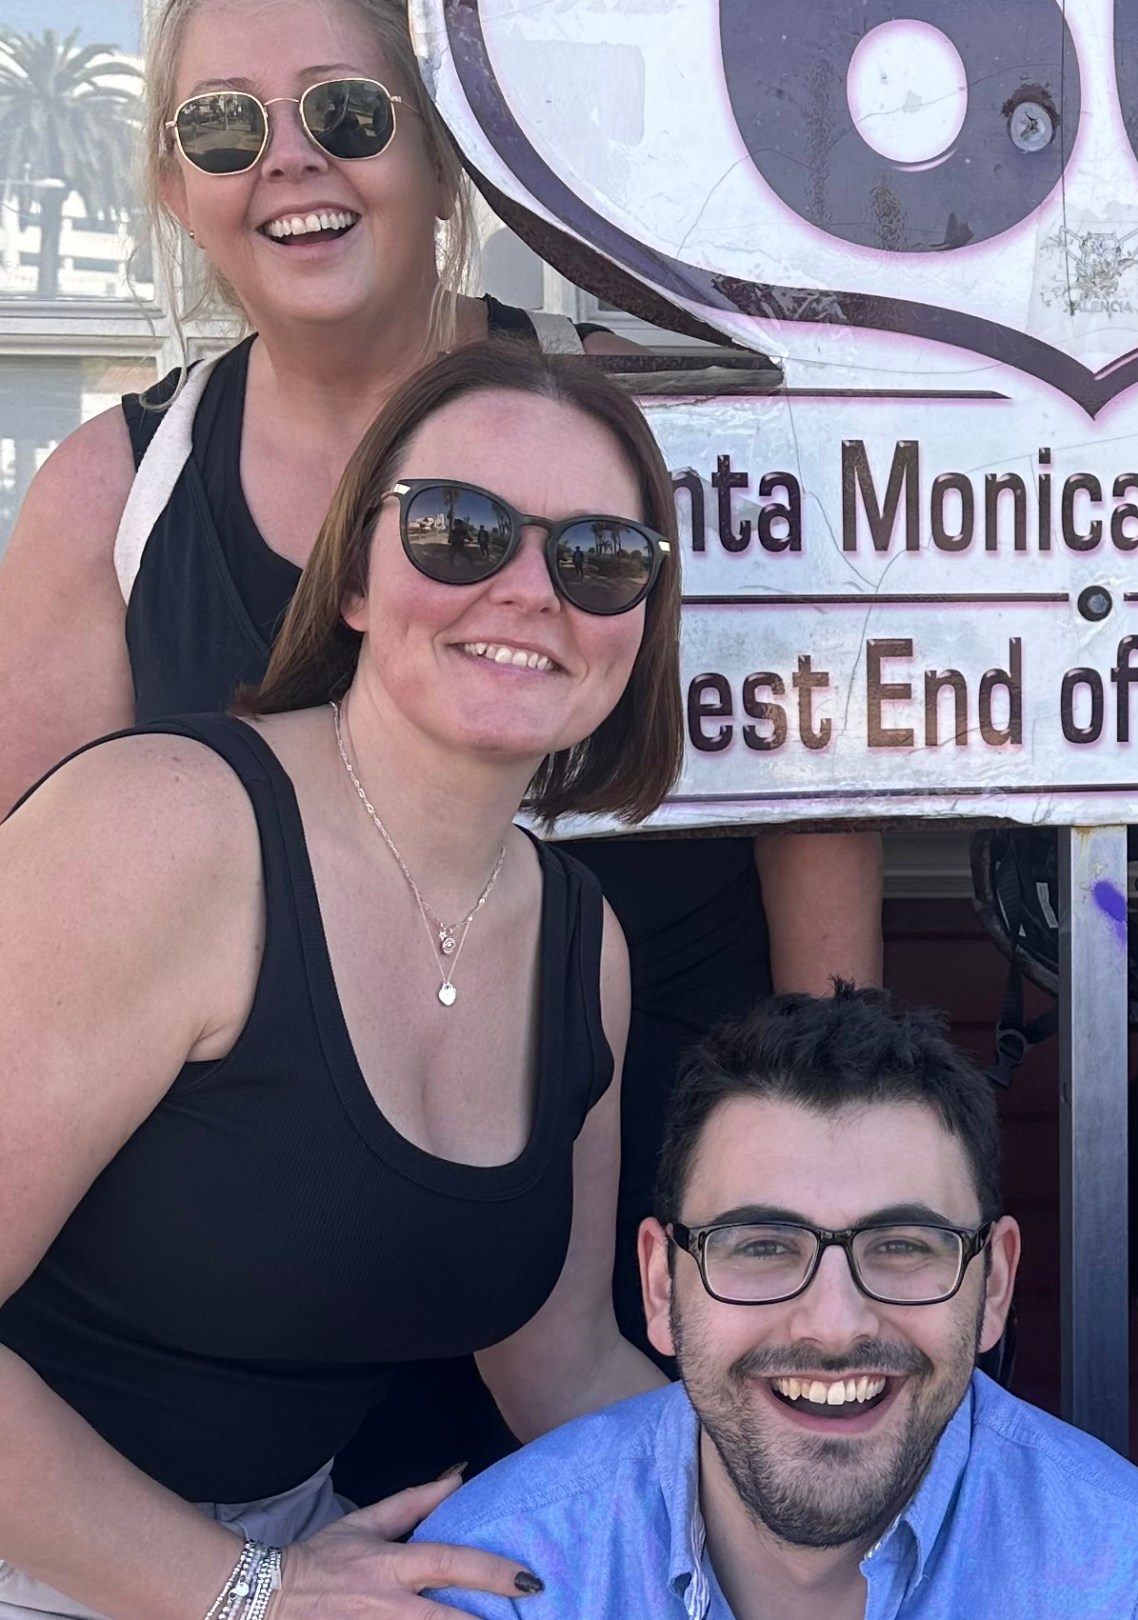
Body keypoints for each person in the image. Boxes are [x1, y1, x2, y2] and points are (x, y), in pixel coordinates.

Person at [0, 0, 882, 1484]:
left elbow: (814, 760)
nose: (290, 159)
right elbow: (45, 955)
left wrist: (840, 1126)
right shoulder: (115, 508)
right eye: (224, 126)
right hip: (231, 1250)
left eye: (345, 110)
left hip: (626, 1133)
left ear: (441, 147)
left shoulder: (649, 421)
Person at [0, 343, 682, 1619]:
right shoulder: (166, 828)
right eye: (460, 531)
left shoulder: (580, 943)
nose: (529, 591)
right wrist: (245, 1591)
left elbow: (561, 1366)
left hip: (288, 1554)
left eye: (599, 558)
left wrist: (842, 1485)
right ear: (356, 576)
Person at [415, 986, 1138, 1620]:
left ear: (995, 1285)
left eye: (902, 1246)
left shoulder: (1130, 1578)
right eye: (762, 1246)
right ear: (662, 1284)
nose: (834, 1325)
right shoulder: (499, 1577)